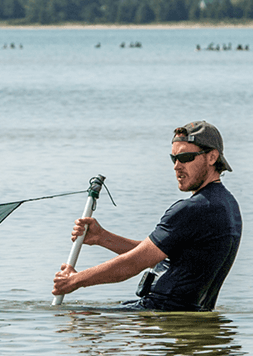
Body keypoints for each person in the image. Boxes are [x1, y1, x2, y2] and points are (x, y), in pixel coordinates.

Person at [53, 121, 242, 311]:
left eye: (185, 157)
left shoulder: (193, 209)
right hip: (178, 315)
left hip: (159, 315)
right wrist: (102, 238)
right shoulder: (228, 205)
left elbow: (134, 264)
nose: (177, 166)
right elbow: (152, 255)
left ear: (212, 157)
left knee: (76, 322)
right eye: (173, 158)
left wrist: (75, 281)